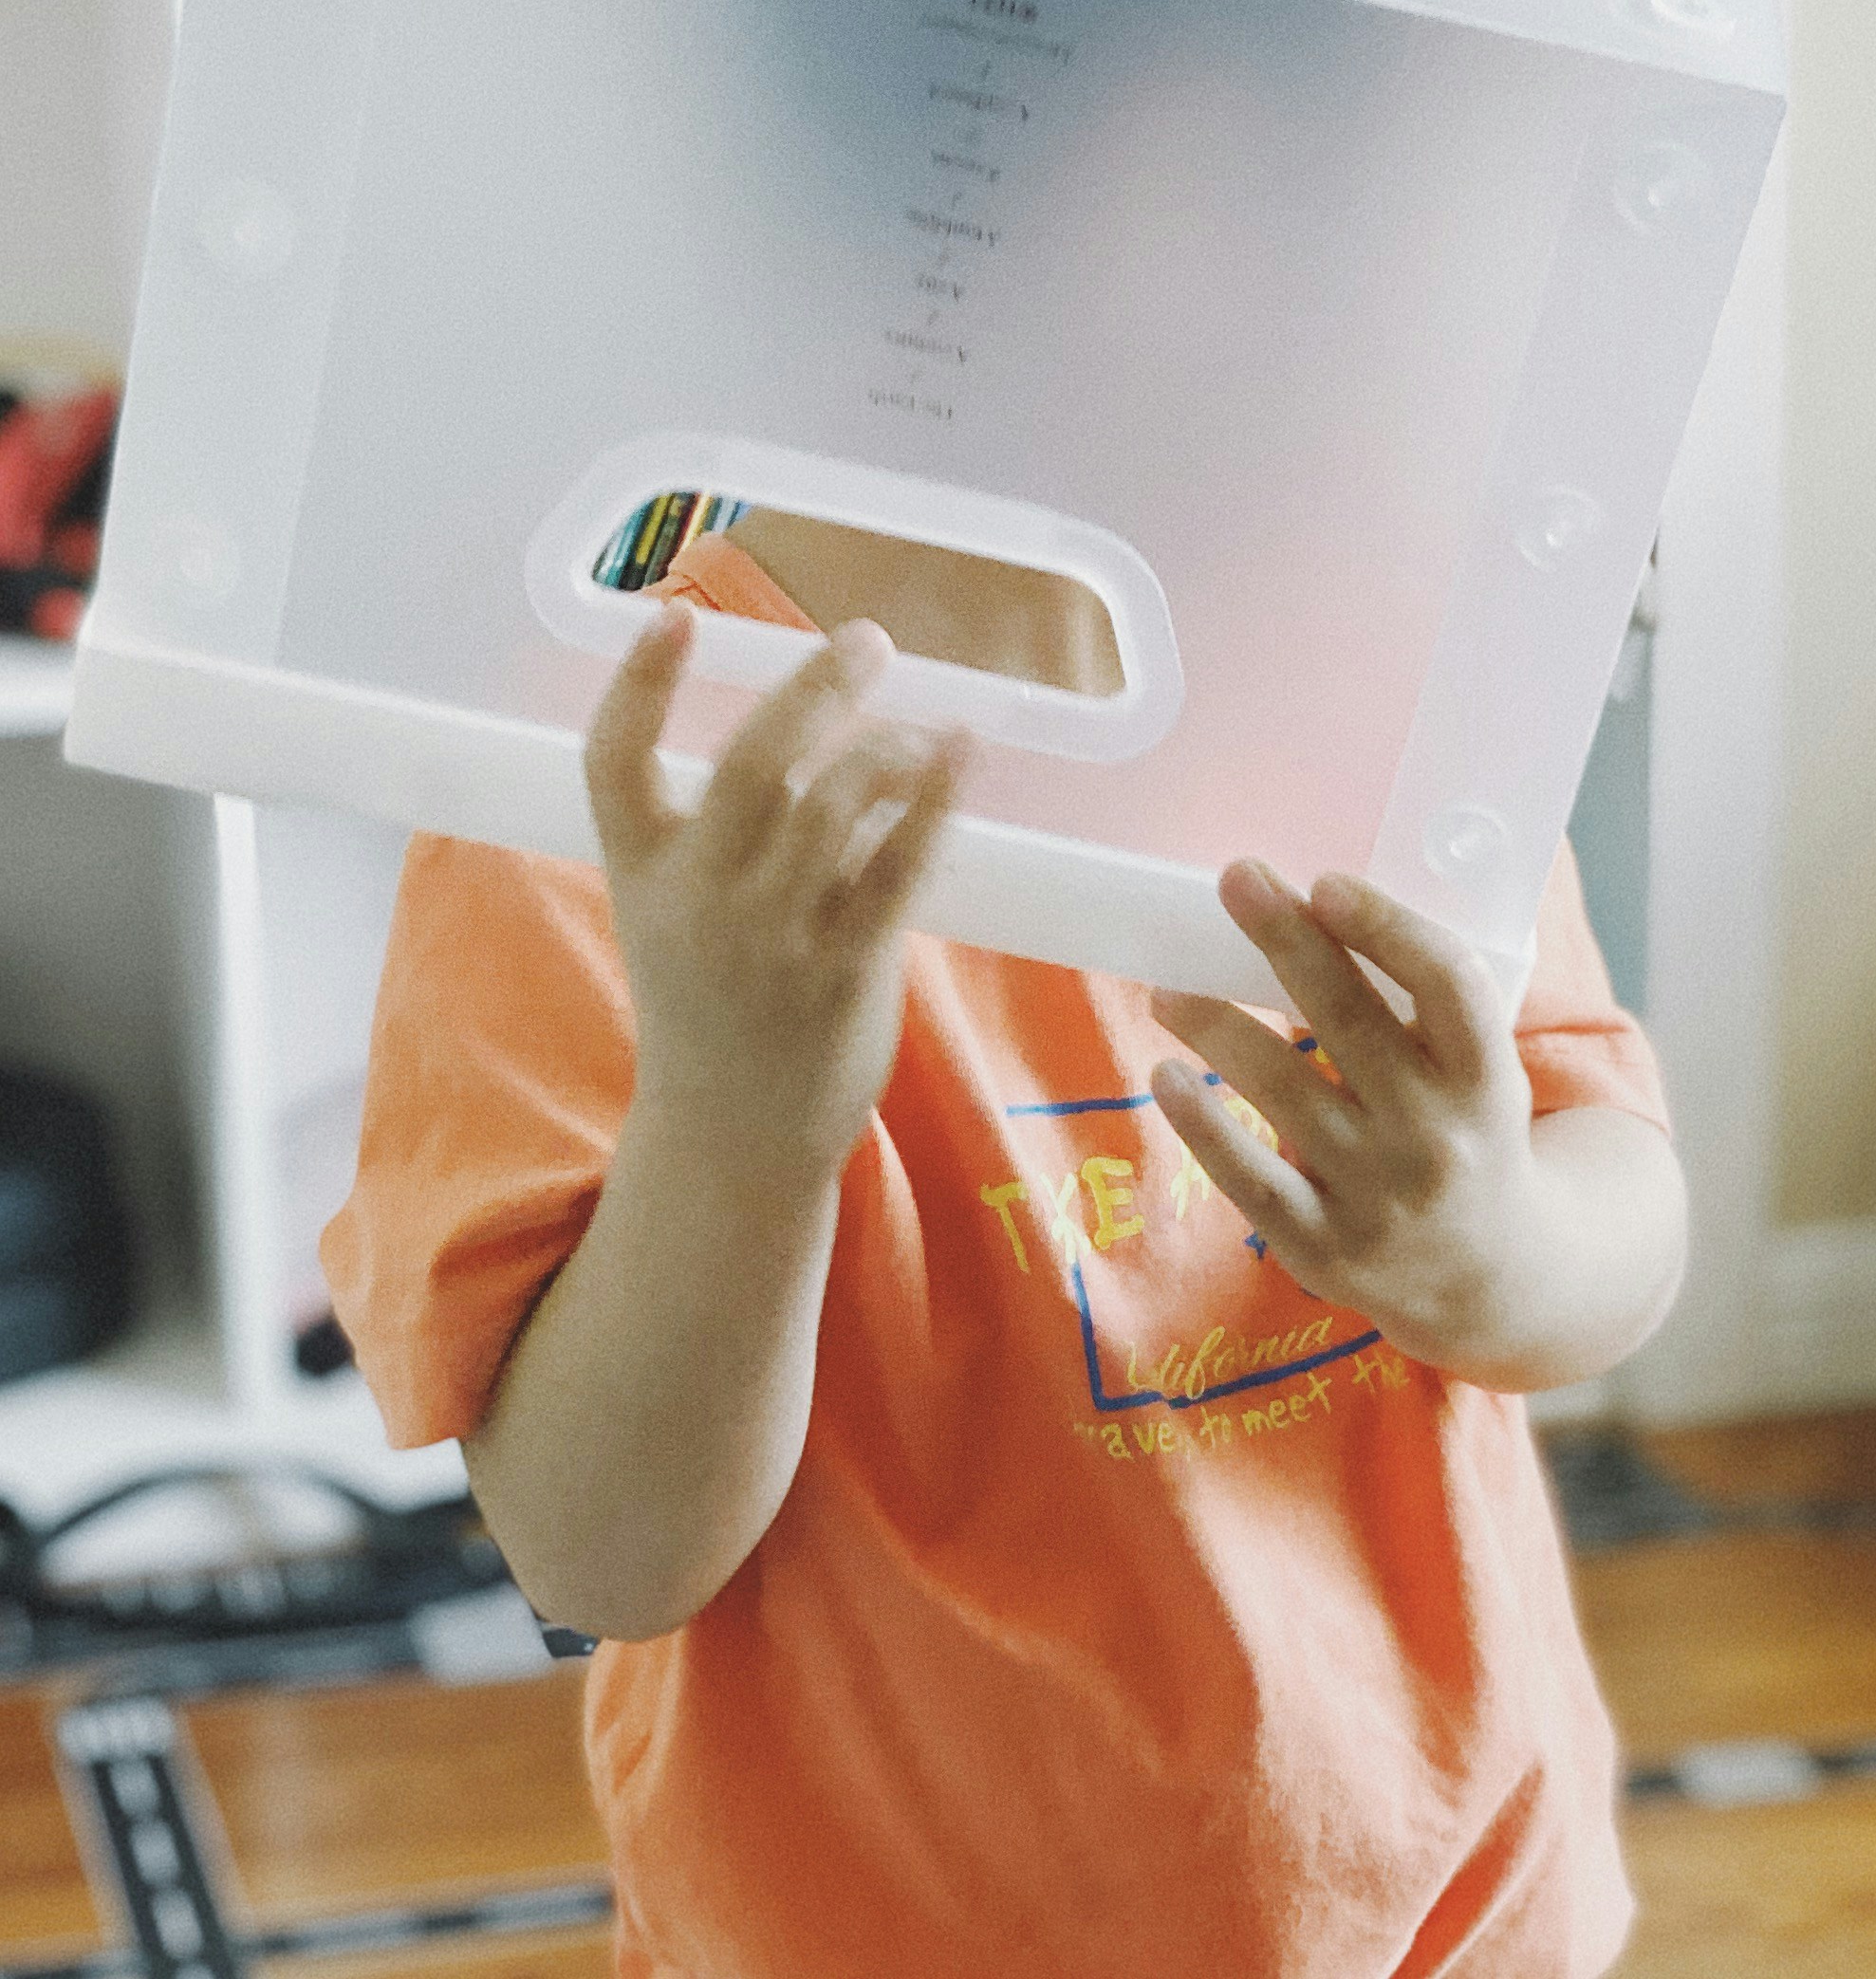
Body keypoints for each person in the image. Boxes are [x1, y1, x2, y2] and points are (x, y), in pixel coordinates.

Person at [323, 516, 1686, 1979]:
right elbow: (598, 1556)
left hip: (1462, 1914)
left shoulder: (1404, 682)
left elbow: (1618, 1200)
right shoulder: (618, 770)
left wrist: (1492, 1252)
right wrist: (739, 1115)